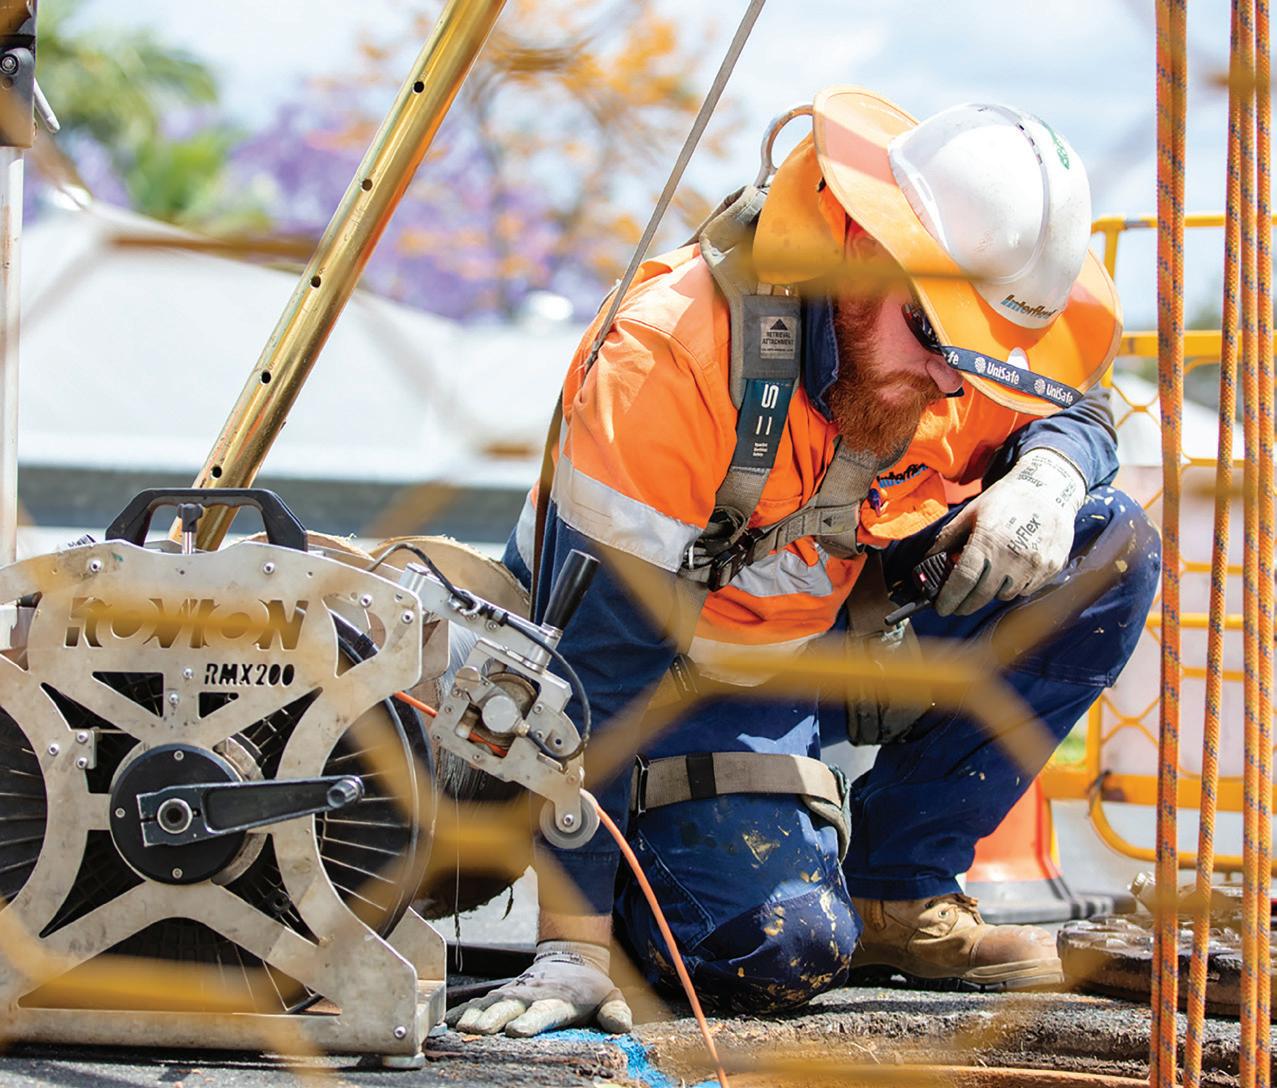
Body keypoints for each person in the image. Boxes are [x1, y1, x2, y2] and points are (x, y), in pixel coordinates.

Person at [445, 87, 1160, 1038]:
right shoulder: (670, 363)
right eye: (938, 340)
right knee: (774, 949)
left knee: (1107, 542)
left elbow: (1076, 405)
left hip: (812, 646)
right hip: (653, 681)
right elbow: (593, 675)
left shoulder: (956, 352)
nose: (953, 382)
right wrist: (574, 945)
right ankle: (654, 882)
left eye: (984, 358)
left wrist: (1050, 476)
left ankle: (895, 890)